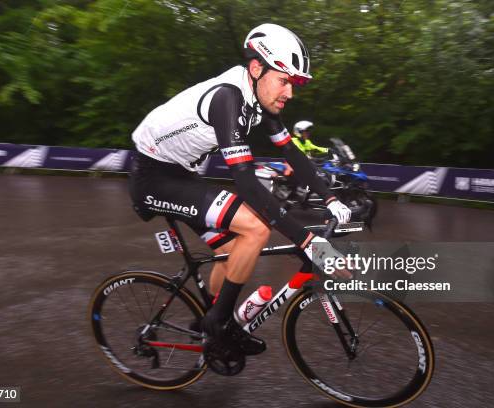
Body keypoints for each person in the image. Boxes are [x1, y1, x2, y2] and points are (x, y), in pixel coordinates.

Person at [129, 23, 351, 358]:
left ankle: (208, 320)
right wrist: (308, 241)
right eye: (285, 80)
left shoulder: (260, 99)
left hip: (181, 175)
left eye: (294, 84)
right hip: (153, 178)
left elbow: (291, 153)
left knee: (237, 248)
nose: (290, 93)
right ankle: (219, 326)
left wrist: (330, 197)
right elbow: (246, 183)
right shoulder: (227, 97)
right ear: (256, 68)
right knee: (255, 227)